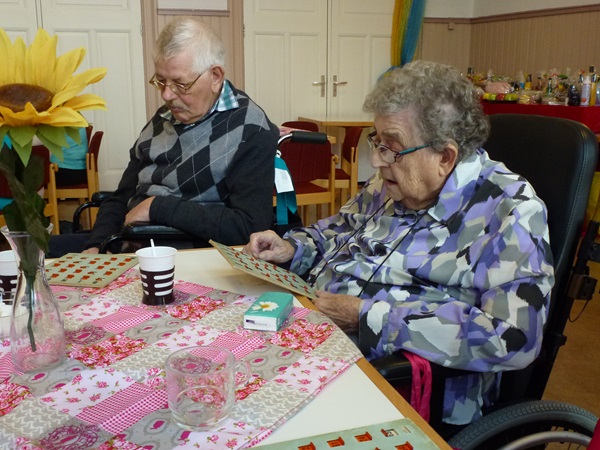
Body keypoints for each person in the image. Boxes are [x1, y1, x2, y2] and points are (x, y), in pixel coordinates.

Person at [244, 60, 554, 426]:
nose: (376, 160)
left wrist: (368, 317)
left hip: (399, 390)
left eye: (391, 147)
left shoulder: (510, 211)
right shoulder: (395, 182)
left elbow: (514, 337)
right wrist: (295, 247)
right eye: (377, 142)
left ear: (445, 156)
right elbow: (339, 229)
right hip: (321, 341)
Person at [49, 18, 279, 256]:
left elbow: (249, 227)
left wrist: (158, 207)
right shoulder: (164, 117)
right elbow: (123, 195)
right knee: (38, 252)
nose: (167, 95)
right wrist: (95, 245)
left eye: (180, 84)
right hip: (124, 242)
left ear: (215, 76)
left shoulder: (250, 129)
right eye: (161, 81)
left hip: (183, 254)